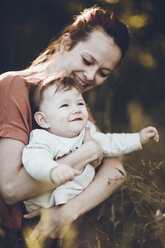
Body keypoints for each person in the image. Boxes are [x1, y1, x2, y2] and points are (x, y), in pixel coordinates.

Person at [0, 5, 150, 242]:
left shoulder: (76, 108)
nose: (91, 76)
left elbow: (117, 170)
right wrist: (88, 152)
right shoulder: (13, 86)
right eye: (87, 60)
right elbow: (11, 190)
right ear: (66, 43)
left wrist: (69, 211)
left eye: (103, 72)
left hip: (53, 236)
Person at [22, 75, 159, 213]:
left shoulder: (87, 132)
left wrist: (138, 138)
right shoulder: (43, 138)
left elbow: (111, 142)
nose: (76, 109)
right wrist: (52, 170)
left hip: (74, 203)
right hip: (43, 207)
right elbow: (34, 160)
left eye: (80, 103)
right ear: (43, 120)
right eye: (65, 105)